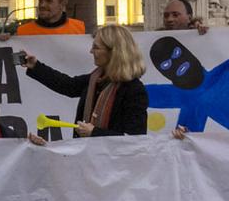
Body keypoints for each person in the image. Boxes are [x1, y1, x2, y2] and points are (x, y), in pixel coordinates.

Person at [20, 24, 149, 140]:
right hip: (86, 158)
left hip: (114, 164)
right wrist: (35, 66)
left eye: (96, 48)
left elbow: (135, 139)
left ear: (113, 52)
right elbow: (67, 85)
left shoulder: (134, 90)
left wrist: (94, 133)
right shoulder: (95, 79)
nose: (91, 51)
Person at [13, 0, 88, 37]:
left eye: (49, 1)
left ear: (62, 4)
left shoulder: (79, 28)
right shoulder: (23, 32)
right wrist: (4, 41)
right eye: (40, 1)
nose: (42, 5)